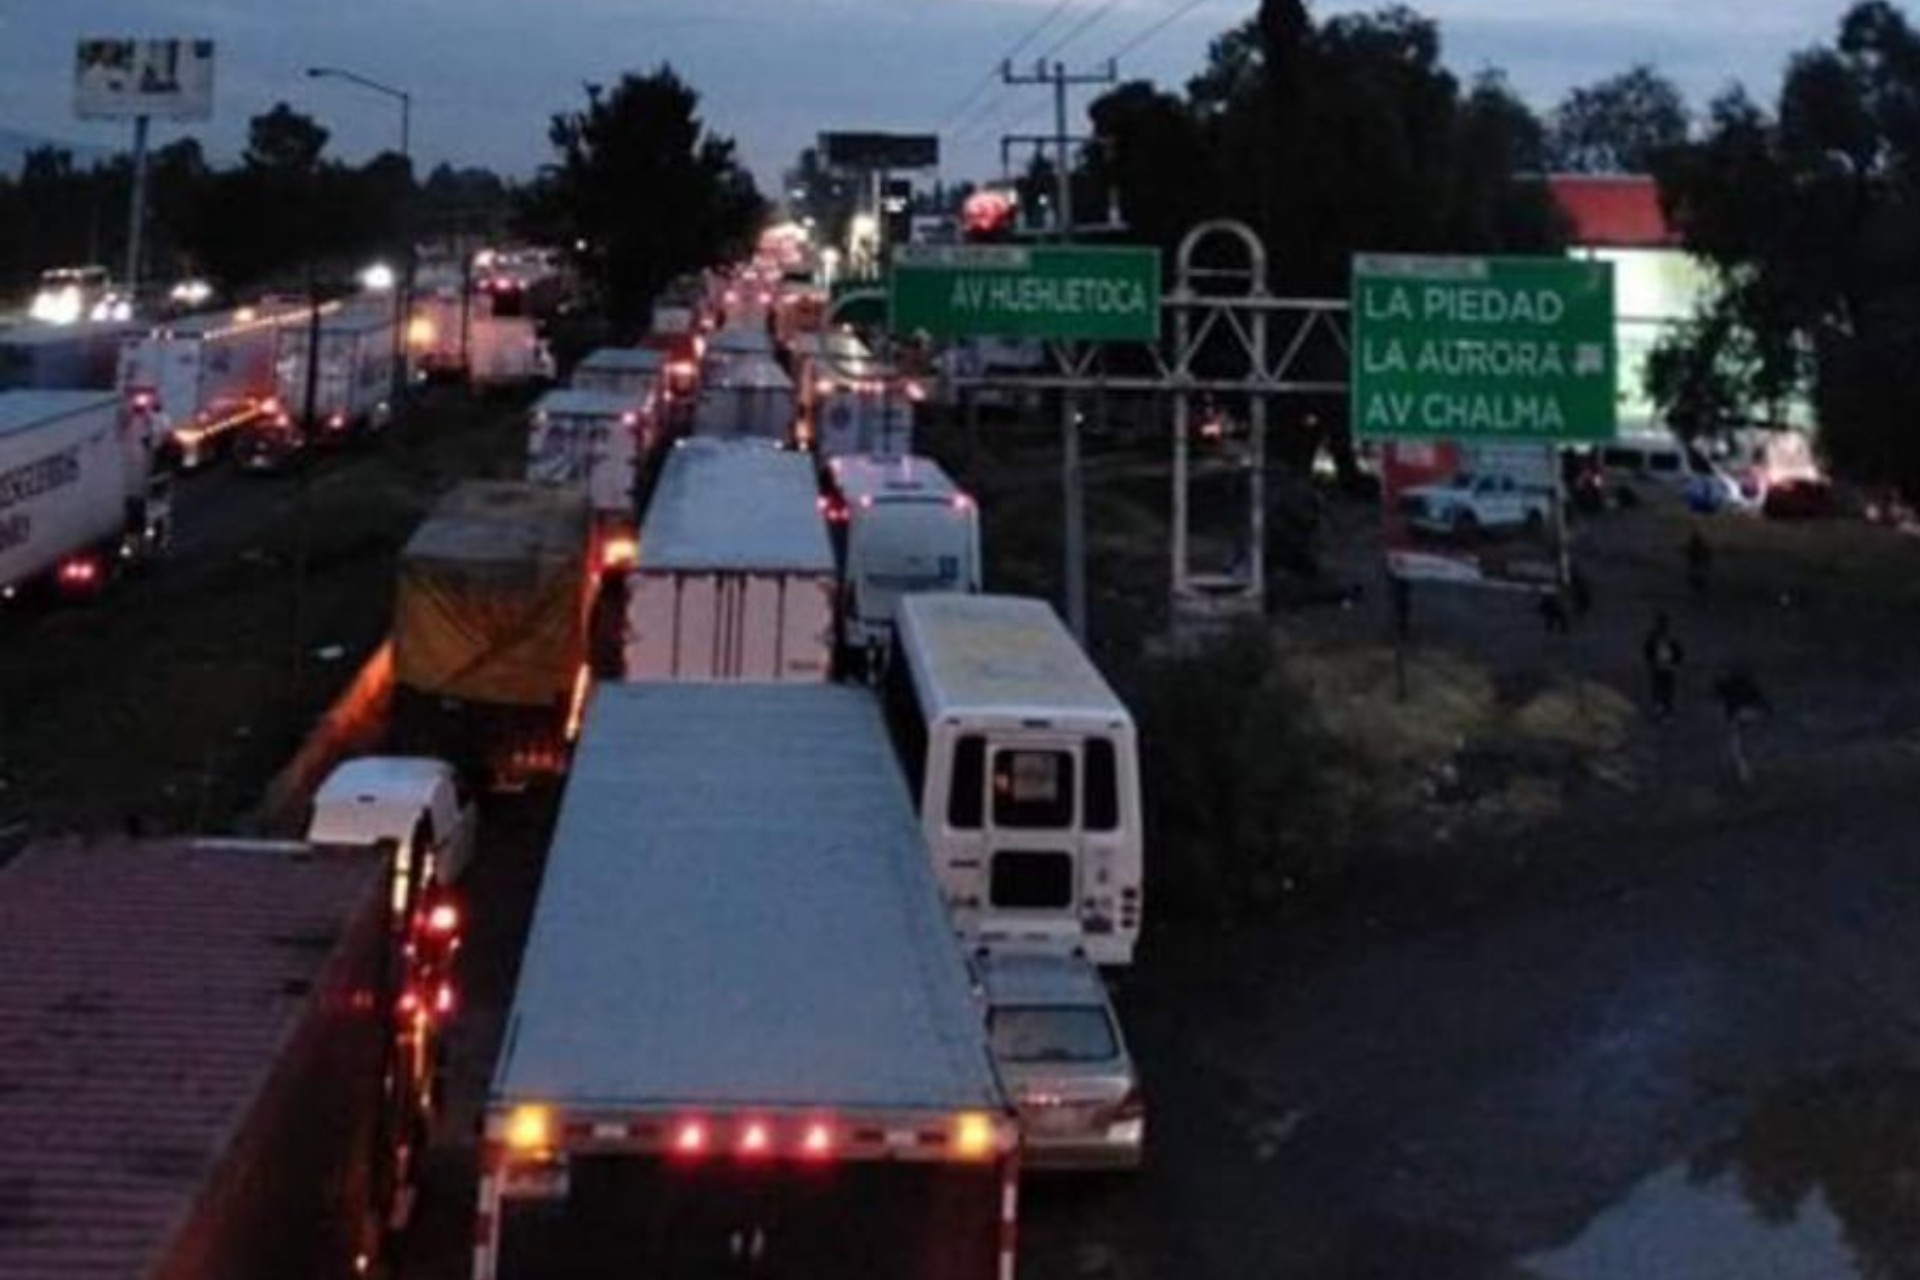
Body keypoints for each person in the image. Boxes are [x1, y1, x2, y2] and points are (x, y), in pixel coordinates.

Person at [1643, 613, 1684, 720]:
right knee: (1662, 688)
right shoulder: (1657, 637)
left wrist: (1676, 662)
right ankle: (1662, 710)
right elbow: (1648, 650)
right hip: (1661, 666)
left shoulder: (1667, 637)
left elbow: (1678, 651)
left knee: (1664, 688)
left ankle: (1663, 710)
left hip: (1665, 667)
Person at [1686, 528, 1712, 600]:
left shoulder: (1694, 547)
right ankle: (1699, 596)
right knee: (1698, 585)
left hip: (1696, 567)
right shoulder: (1702, 547)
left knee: (1696, 585)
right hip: (1698, 567)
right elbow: (1707, 557)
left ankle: (1698, 596)